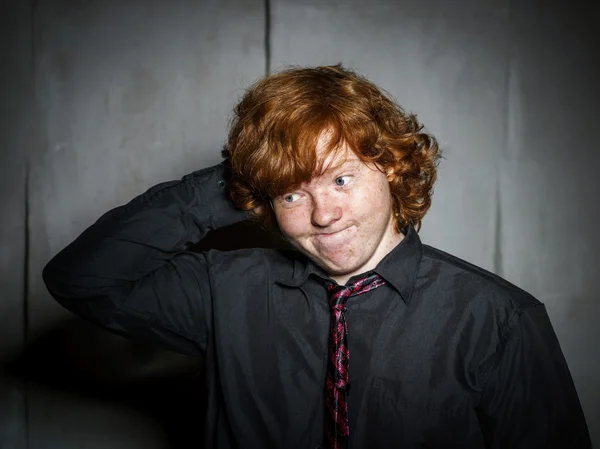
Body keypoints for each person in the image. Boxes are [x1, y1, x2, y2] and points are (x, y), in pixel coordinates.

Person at [43, 65, 591, 449]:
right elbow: (82, 279)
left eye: (341, 178)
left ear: (392, 169)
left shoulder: (498, 320)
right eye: (291, 193)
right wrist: (248, 177)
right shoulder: (225, 289)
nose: (323, 214)